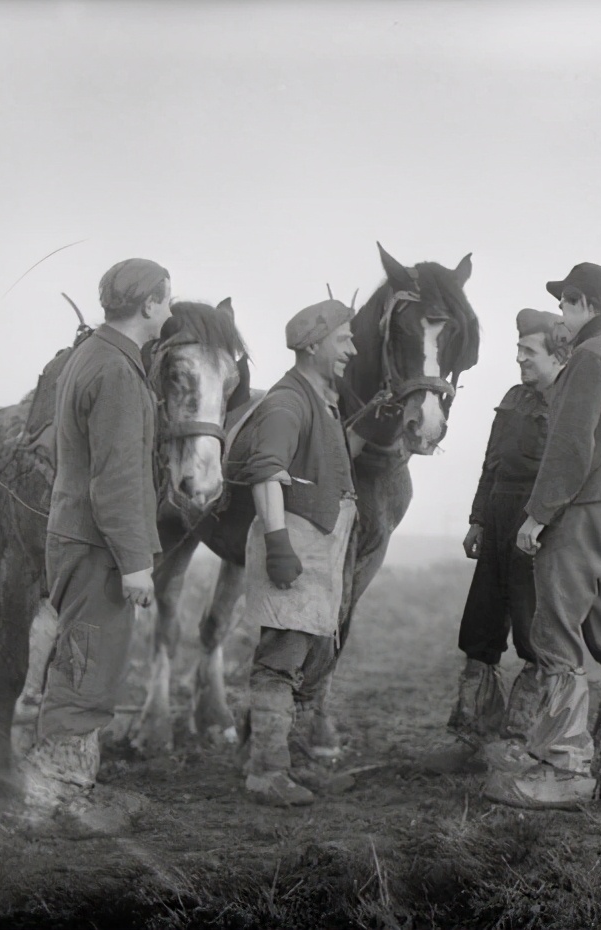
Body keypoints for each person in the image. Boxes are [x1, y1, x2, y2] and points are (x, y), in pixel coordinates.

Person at [483, 261, 601, 810]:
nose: (561, 316)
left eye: (564, 304)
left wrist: (539, 514)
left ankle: (563, 768)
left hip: (580, 508)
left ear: (582, 302)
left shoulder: (586, 357)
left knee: (555, 630)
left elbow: (571, 446)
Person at [22, 258, 172, 809]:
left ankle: (65, 789)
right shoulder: (115, 370)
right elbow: (118, 479)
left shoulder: (95, 354)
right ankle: (58, 799)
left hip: (79, 535)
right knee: (87, 664)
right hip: (98, 544)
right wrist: (136, 561)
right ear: (150, 304)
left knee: (80, 659)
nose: (171, 309)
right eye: (167, 299)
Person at [425, 308, 569, 774]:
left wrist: (542, 522)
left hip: (539, 523)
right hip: (499, 516)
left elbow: (570, 474)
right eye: (518, 351)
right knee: (481, 627)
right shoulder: (513, 397)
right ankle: (472, 735)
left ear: (557, 354)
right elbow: (491, 463)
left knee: (533, 635)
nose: (520, 360)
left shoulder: (570, 401)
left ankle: (519, 743)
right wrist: (477, 520)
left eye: (529, 352)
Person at [228, 298, 359, 807]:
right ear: (313, 344)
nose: (351, 348)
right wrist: (279, 546)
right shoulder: (287, 401)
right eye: (342, 339)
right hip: (295, 549)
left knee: (315, 656)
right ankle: (267, 772)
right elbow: (266, 470)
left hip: (320, 549)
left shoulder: (321, 397)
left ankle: (295, 763)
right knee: (282, 659)